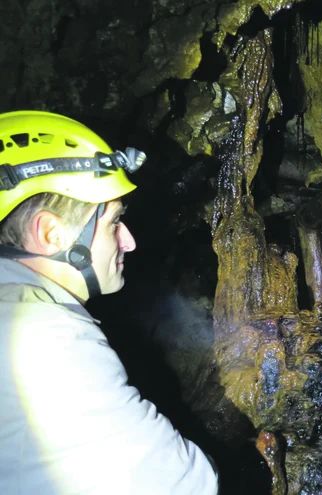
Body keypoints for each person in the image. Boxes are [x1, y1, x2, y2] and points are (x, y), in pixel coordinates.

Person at [0, 111, 219, 494]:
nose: (128, 241)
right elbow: (186, 485)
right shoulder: (45, 338)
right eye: (114, 222)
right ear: (51, 233)